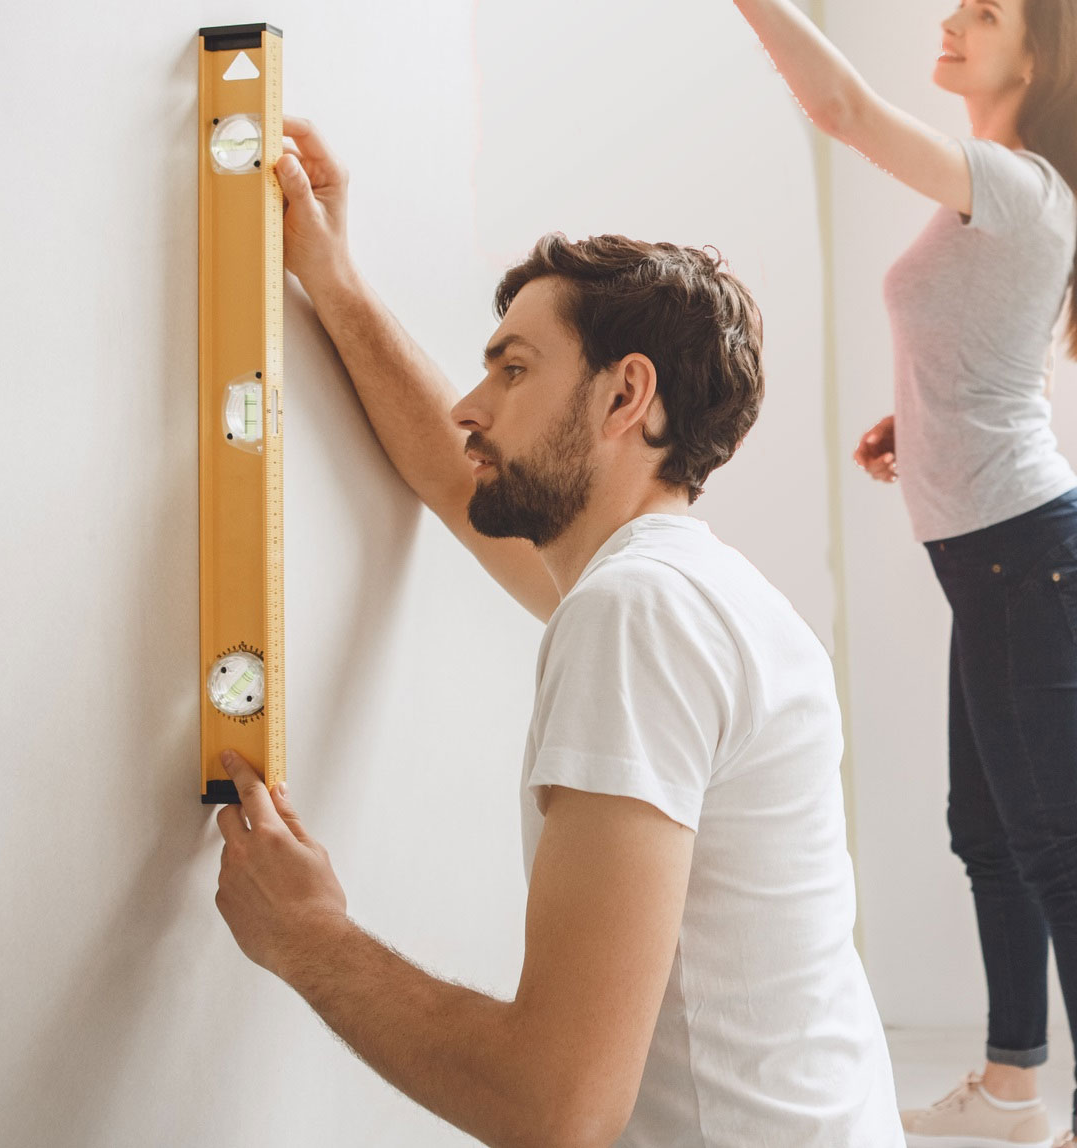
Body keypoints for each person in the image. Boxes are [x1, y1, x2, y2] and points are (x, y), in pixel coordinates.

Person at [210, 118, 904, 1148]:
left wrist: (311, 938)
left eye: (513, 369)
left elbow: (556, 1105)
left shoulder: (639, 614)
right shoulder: (692, 588)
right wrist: (331, 276)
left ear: (625, 394)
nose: (470, 401)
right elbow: (453, 478)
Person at [730, 1, 1077, 1145]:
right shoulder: (1009, 187)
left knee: (1061, 848)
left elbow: (844, 108)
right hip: (998, 557)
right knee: (988, 831)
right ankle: (1012, 1089)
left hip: (1028, 559)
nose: (954, 20)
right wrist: (910, 423)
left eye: (985, 11)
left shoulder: (1012, 180)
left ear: (1037, 54)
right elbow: (992, 357)